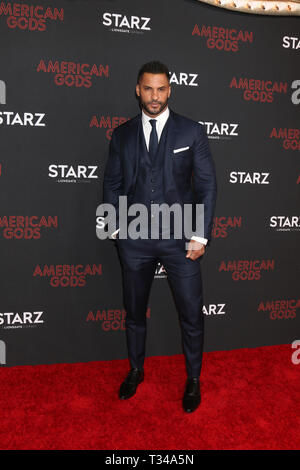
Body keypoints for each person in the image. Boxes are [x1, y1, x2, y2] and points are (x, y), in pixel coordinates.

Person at [103, 60, 217, 413]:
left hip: (180, 239)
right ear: (138, 90)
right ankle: (136, 370)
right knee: (134, 311)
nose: (155, 96)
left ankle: (193, 379)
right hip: (134, 239)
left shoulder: (191, 132)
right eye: (148, 88)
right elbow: (111, 184)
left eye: (161, 89)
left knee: (191, 314)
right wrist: (117, 230)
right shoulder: (121, 135)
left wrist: (200, 235)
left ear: (170, 90)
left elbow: (208, 185)